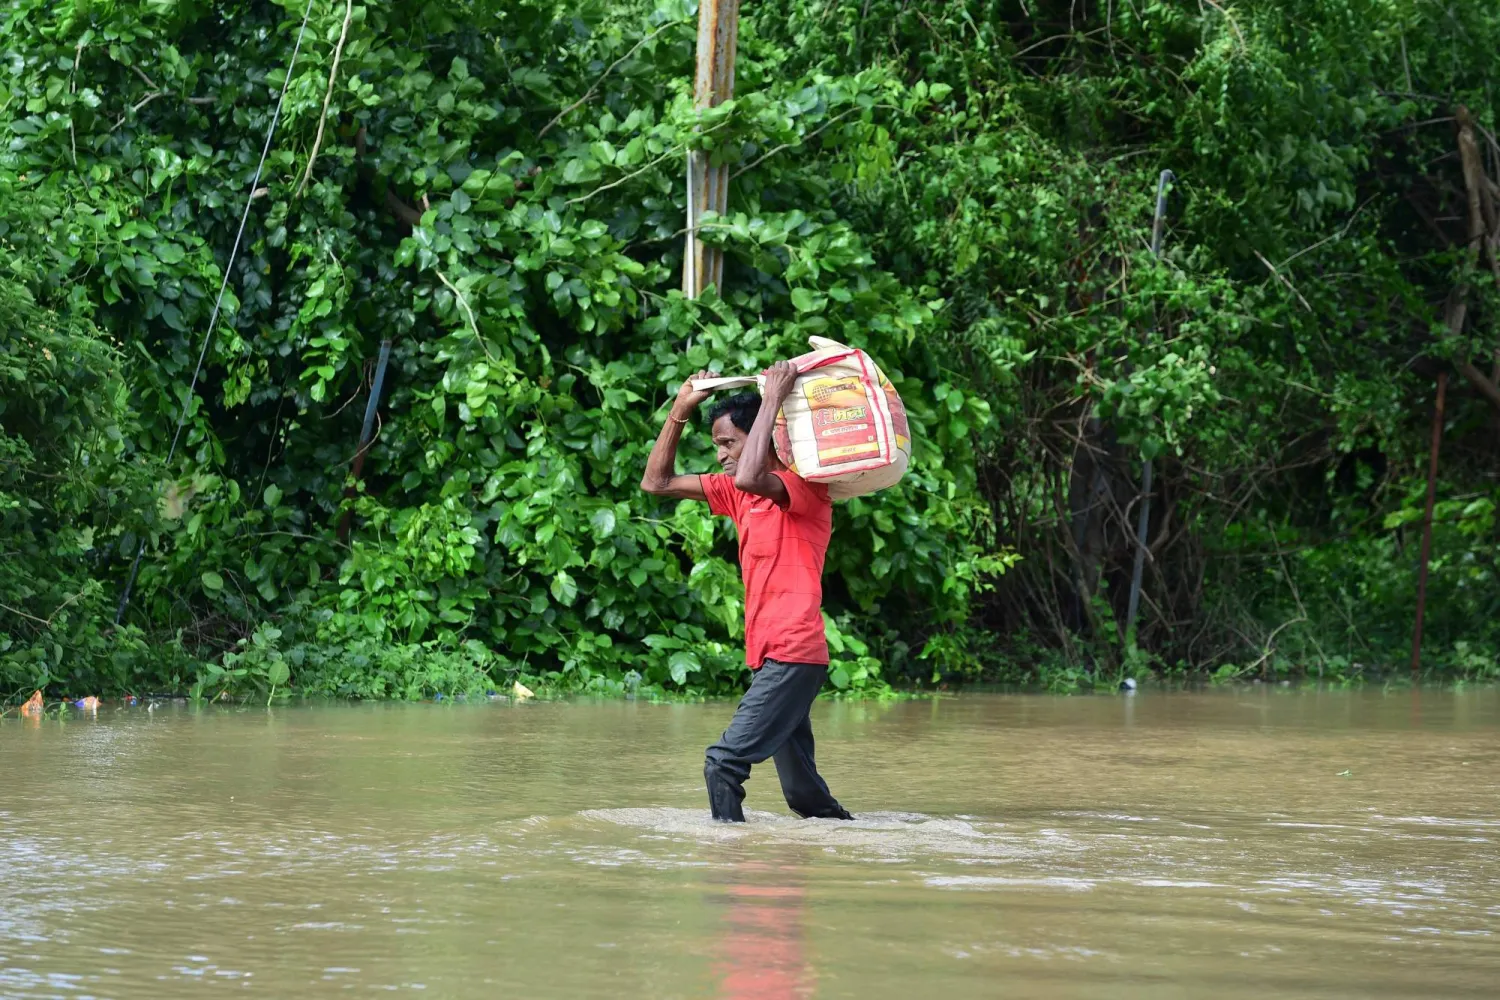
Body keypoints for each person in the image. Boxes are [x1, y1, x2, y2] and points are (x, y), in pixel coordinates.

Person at [640, 361, 854, 823]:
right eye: (717, 445)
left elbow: (752, 476)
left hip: (794, 653)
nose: (720, 455)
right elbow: (655, 482)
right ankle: (861, 849)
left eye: (727, 443)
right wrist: (679, 410)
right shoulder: (740, 496)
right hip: (771, 657)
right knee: (804, 797)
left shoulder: (804, 489)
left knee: (722, 763)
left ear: (760, 434)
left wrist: (772, 399)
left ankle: (728, 855)